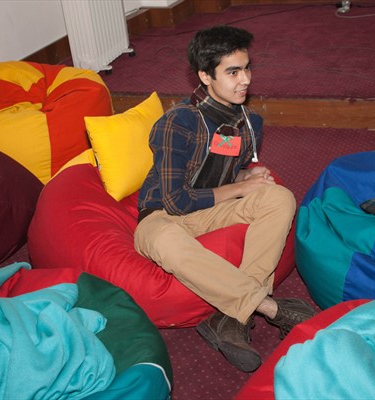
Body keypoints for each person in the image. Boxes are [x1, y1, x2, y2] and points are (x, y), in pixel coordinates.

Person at [134, 25, 315, 372]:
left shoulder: (250, 122)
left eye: (247, 68)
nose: (245, 80)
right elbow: (176, 202)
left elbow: (231, 170)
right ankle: (270, 308)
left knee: (280, 198)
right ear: (205, 76)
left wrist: (247, 177)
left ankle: (230, 319)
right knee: (168, 242)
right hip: (161, 217)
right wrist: (240, 189)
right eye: (233, 72)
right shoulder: (177, 123)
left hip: (213, 209)